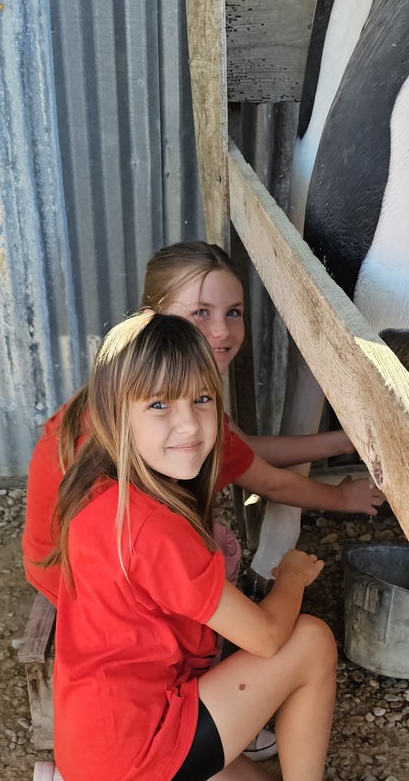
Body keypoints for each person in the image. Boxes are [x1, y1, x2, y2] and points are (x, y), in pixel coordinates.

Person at [31, 312, 398, 781]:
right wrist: (293, 576)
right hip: (139, 741)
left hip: (93, 748)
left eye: (202, 400)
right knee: (310, 639)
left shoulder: (100, 493)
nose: (189, 425)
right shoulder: (151, 527)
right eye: (159, 404)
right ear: (114, 415)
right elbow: (269, 637)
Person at [22, 241, 384, 607]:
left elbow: (245, 447)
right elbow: (271, 482)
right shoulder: (180, 418)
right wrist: (342, 497)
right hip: (86, 590)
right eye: (200, 312)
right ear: (154, 316)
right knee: (220, 550)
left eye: (233, 312)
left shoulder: (132, 383)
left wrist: (344, 442)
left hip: (55, 564)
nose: (223, 331)